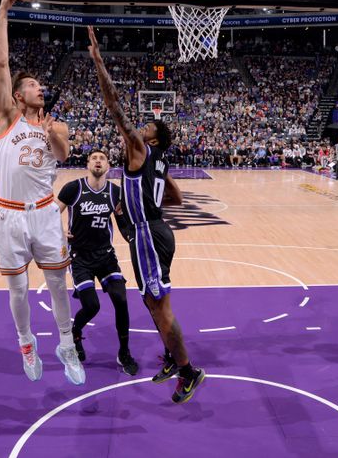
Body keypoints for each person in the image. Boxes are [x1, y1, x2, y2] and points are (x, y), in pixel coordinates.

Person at [88, 26, 205, 404]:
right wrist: (149, 207)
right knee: (149, 302)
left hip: (148, 235)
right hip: (152, 231)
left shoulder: (139, 148)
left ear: (151, 139)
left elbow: (115, 109)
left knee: (158, 305)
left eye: (147, 126)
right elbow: (177, 196)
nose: (140, 126)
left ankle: (189, 371)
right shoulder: (159, 163)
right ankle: (173, 357)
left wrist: (99, 63)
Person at [0, 0, 84, 385]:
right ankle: (26, 342)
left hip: (46, 213)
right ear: (17, 96)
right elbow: (0, 64)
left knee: (58, 286)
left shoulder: (56, 125)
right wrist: (2, 12)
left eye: (40, 85)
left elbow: (65, 157)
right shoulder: (7, 119)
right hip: (11, 216)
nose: (39, 87)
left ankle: (66, 343)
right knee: (18, 291)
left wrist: (52, 137)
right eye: (31, 84)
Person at [56, 149, 139, 376]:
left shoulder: (114, 193)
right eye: (94, 158)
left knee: (121, 299)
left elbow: (122, 222)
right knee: (92, 306)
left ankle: (124, 352)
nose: (98, 161)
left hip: (105, 256)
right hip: (80, 257)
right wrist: (60, 229)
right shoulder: (73, 188)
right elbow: (52, 212)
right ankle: (75, 331)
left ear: (108, 166)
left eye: (102, 158)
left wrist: (132, 238)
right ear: (88, 163)